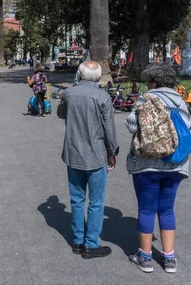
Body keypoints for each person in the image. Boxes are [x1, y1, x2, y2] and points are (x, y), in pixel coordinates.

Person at [124, 65, 191, 274]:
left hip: (147, 164)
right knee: (166, 209)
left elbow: (132, 125)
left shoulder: (146, 98)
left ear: (153, 81)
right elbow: (188, 125)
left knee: (146, 209)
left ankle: (144, 257)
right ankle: (169, 258)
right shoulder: (180, 101)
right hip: (174, 164)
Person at [57, 61, 119, 259]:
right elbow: (109, 129)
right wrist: (112, 151)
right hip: (95, 154)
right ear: (99, 77)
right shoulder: (102, 96)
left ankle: (78, 240)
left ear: (80, 74)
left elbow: (60, 113)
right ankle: (91, 243)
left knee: (77, 199)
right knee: (96, 201)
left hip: (73, 152)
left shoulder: (69, 94)